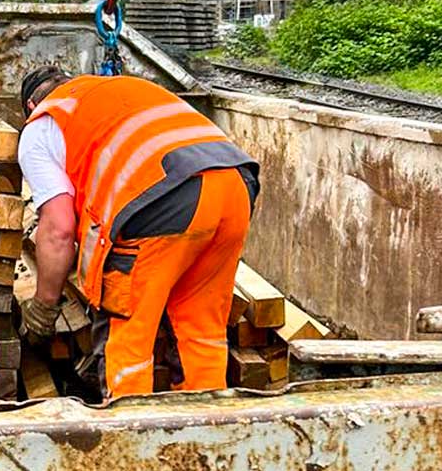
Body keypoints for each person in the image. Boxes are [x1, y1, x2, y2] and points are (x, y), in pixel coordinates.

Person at [15, 66, 259, 397]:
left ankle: (131, 434)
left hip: (160, 204)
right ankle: (207, 434)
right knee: (200, 333)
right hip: (234, 188)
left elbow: (58, 228)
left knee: (128, 340)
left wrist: (44, 306)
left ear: (31, 105)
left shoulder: (43, 124)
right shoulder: (120, 89)